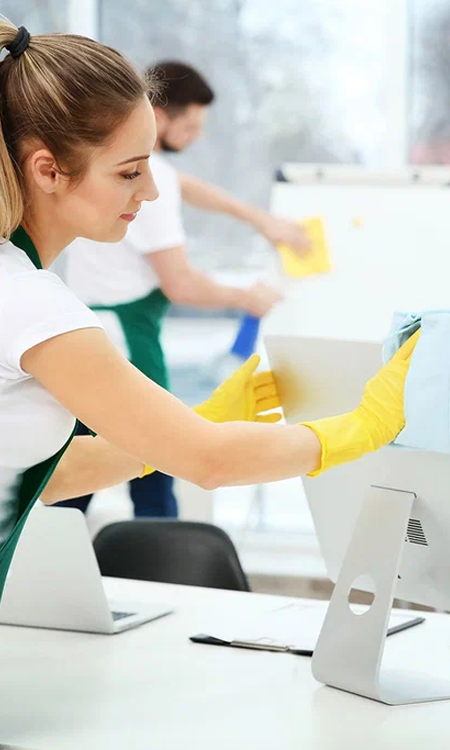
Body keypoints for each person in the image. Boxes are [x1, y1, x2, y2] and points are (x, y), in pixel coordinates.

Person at [0, 19, 418, 603]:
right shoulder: (28, 300)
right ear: (47, 171)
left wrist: (194, 424)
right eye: (129, 172)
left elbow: (50, 476)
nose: (149, 191)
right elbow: (210, 462)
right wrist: (364, 427)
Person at [62, 61, 303, 518]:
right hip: (126, 342)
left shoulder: (124, 169)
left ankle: (44, 550)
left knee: (82, 469)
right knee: (152, 466)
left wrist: (260, 220)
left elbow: (189, 187)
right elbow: (181, 284)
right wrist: (246, 297)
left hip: (94, 330)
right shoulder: (149, 183)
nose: (196, 137)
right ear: (157, 115)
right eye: (190, 126)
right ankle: (156, 558)